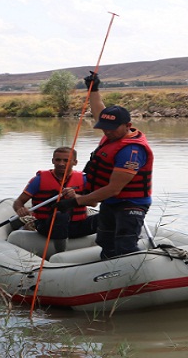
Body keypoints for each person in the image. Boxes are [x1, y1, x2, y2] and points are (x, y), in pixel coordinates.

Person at [56, 72, 154, 259]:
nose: (106, 131)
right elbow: (99, 111)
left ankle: (135, 277)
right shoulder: (113, 133)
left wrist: (77, 200)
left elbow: (114, 189)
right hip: (110, 204)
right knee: (106, 242)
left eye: (112, 128)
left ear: (127, 125)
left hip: (130, 203)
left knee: (125, 245)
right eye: (104, 127)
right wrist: (93, 89)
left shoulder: (131, 151)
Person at [12, 146, 98, 253]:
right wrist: (20, 209)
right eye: (58, 160)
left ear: (75, 162)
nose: (61, 164)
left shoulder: (84, 180)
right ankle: (60, 253)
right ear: (53, 161)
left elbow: (93, 203)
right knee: (61, 215)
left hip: (76, 225)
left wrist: (75, 196)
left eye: (66, 160)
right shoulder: (38, 180)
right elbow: (18, 202)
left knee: (107, 215)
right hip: (47, 226)